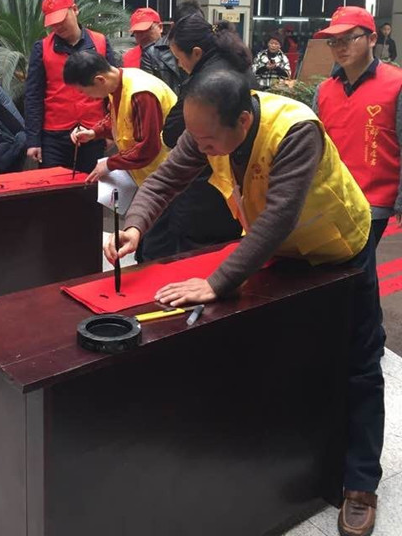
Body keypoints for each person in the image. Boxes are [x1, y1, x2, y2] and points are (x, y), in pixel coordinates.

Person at [105, 70, 383, 536]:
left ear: (244, 121)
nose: (200, 147)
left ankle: (360, 483)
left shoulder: (295, 129)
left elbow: (278, 217)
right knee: (293, 355)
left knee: (359, 362)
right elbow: (165, 177)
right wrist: (134, 226)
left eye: (208, 140)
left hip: (339, 250)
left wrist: (217, 282)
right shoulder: (209, 126)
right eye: (196, 138)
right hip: (281, 256)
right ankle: (300, 461)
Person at [63, 52, 176, 260]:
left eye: (84, 91)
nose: (87, 97)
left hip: (168, 179)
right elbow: (119, 118)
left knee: (155, 248)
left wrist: (110, 163)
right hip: (149, 179)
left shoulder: (141, 93)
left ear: (99, 80)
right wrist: (94, 132)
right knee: (144, 241)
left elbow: (148, 147)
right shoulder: (119, 83)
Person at [162, 13, 255, 250]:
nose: (179, 65)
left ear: (196, 53)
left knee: (199, 253)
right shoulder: (237, 64)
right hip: (235, 183)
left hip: (207, 189)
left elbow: (172, 132)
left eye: (178, 58)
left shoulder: (207, 83)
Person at [314, 6, 402, 244]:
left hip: (375, 201)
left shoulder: (396, 84)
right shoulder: (324, 91)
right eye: (334, 41)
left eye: (349, 39)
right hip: (331, 198)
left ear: (372, 39)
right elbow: (315, 147)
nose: (340, 47)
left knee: (358, 260)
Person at [24, 0, 117, 173]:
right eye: (53, 23)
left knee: (90, 185)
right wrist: (33, 140)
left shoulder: (100, 42)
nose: (58, 26)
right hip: (54, 136)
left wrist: (110, 132)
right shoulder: (42, 48)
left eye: (61, 19)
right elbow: (33, 96)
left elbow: (113, 89)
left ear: (75, 10)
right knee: (52, 185)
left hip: (93, 130)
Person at [123, 8, 183, 94]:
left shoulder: (176, 50)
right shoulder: (128, 57)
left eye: (147, 30)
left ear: (160, 27)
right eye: (137, 32)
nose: (142, 35)